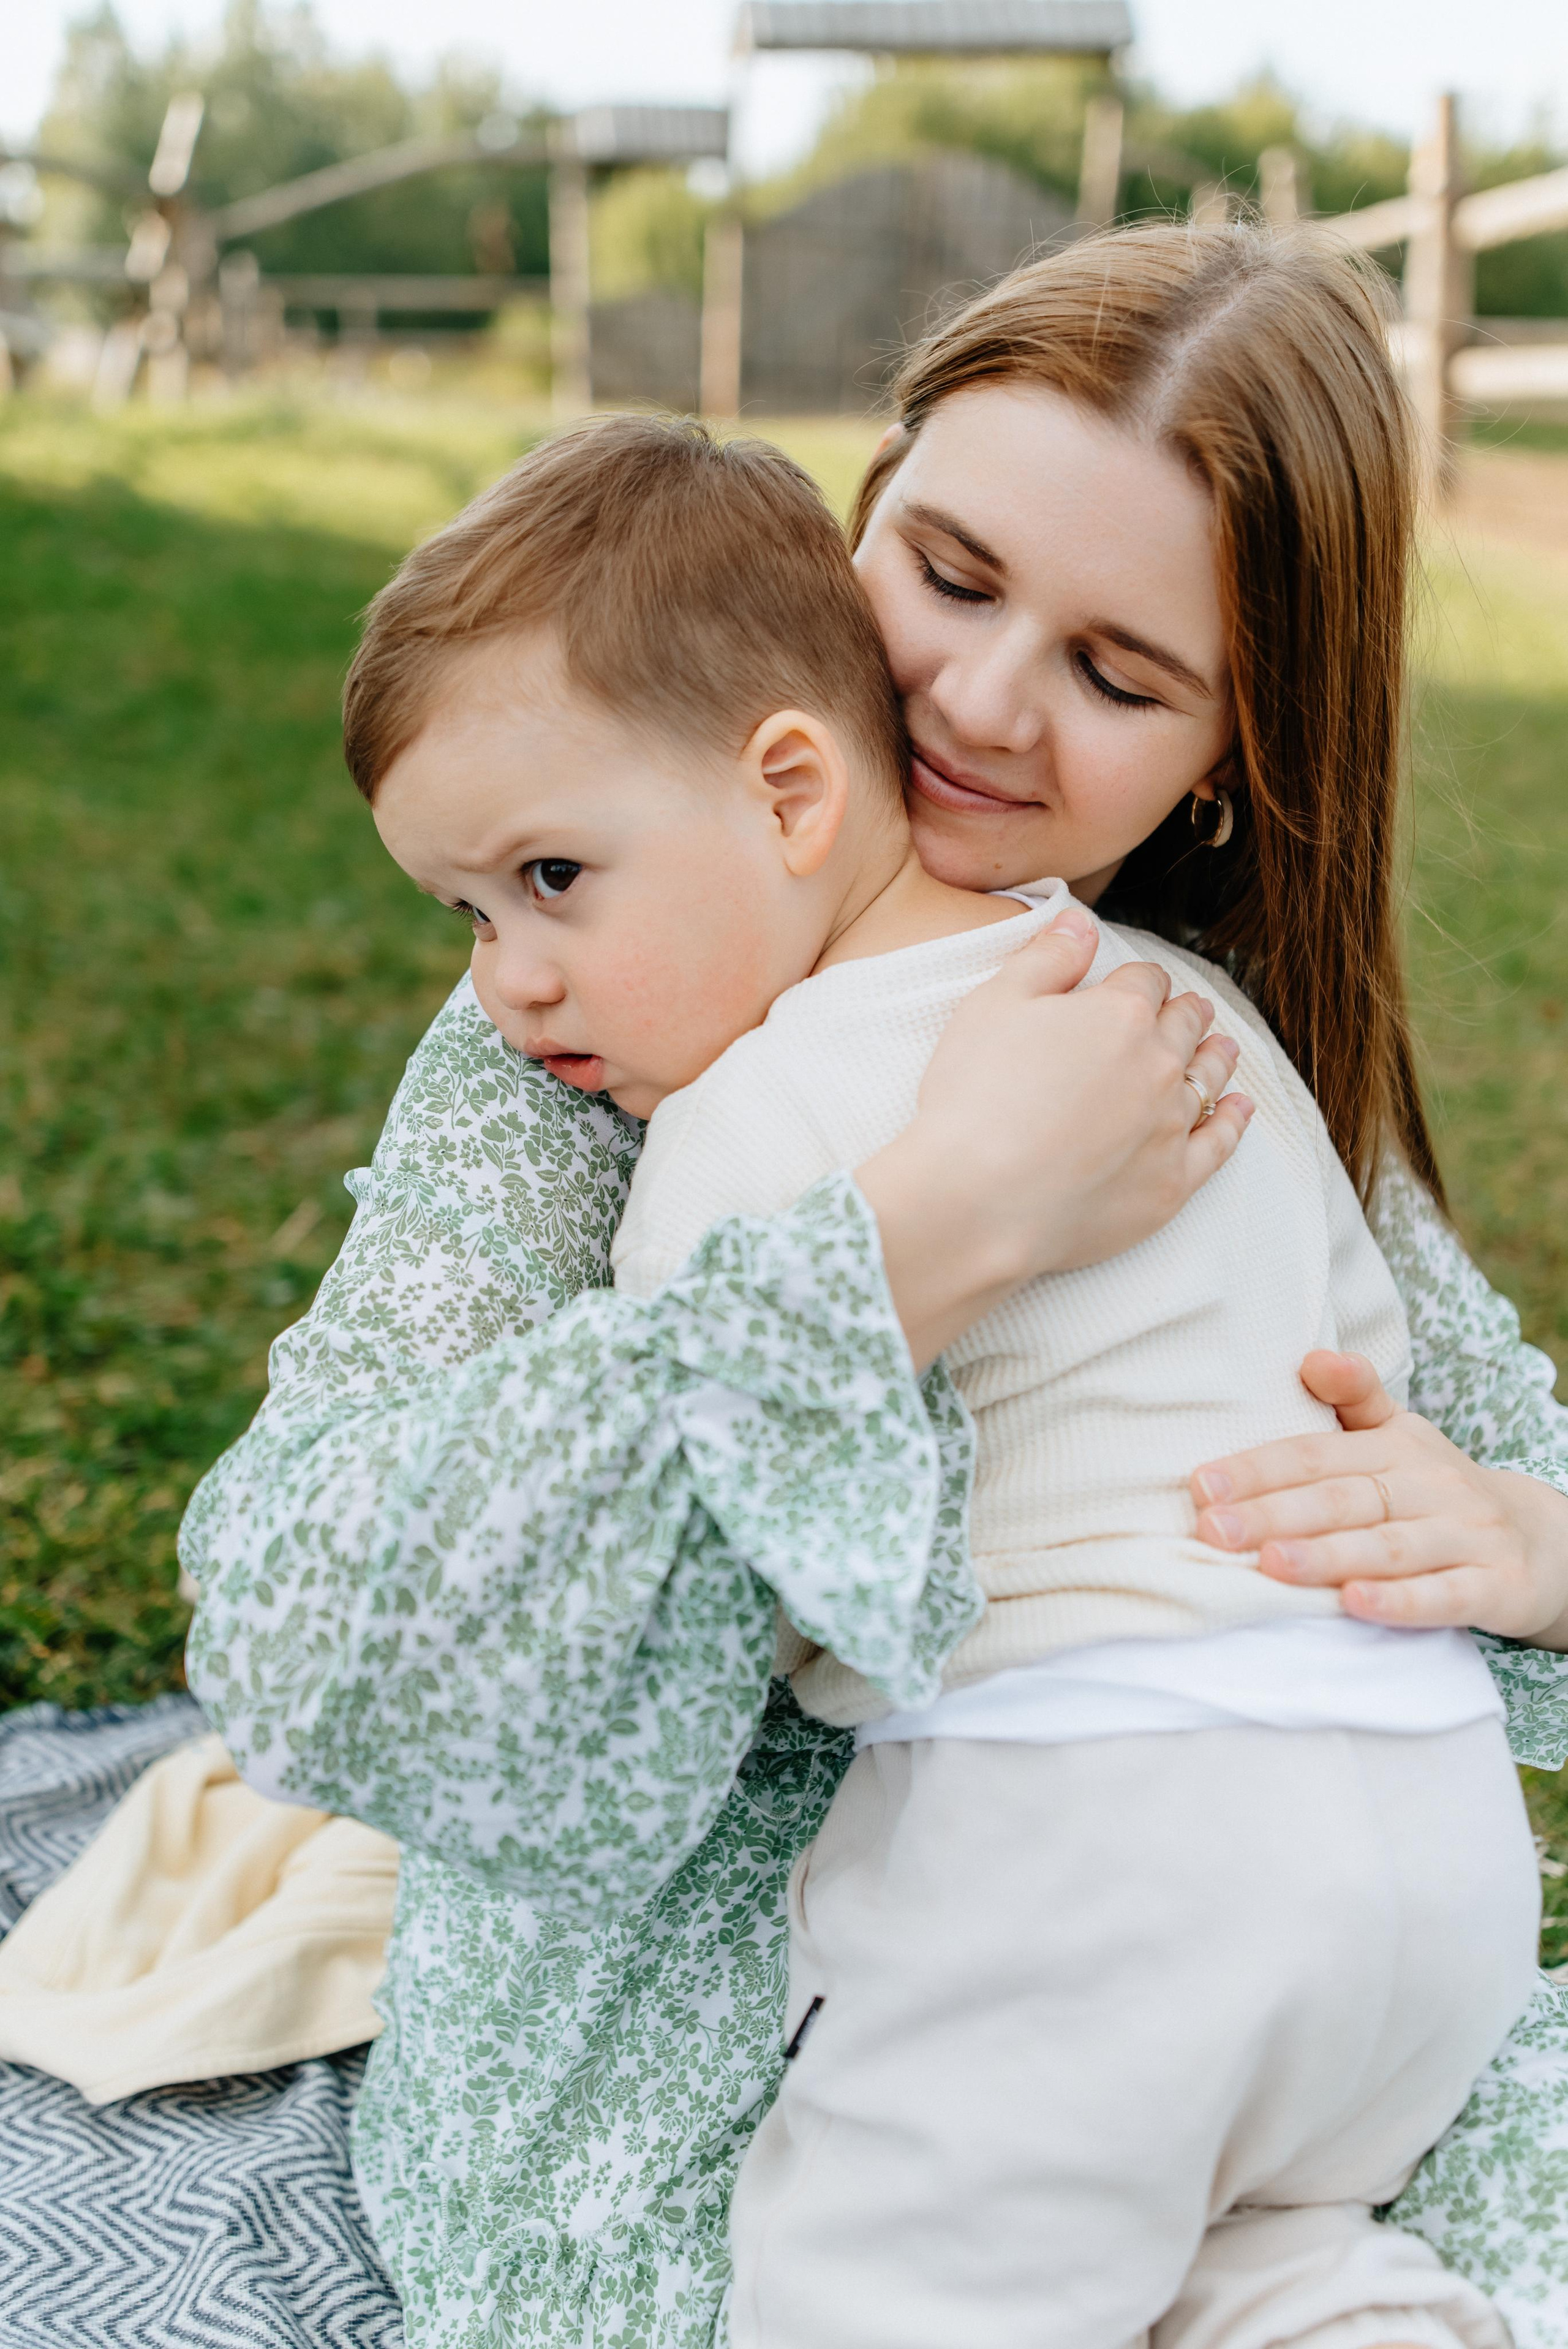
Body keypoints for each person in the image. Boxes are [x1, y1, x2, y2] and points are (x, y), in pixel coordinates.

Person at [183, 223, 1568, 2349]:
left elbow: (1494, 1441)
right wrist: (932, 1225)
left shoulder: (1205, 1024)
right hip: (714, 2077)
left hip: (1199, 1958)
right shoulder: (593, 1010)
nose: (979, 707)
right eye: (946, 572)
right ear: (860, 508)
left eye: (1119, 676)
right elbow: (308, 1619)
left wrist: (1532, 1542)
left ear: (1235, 746)